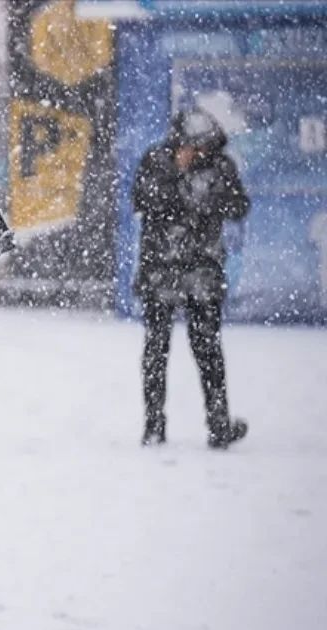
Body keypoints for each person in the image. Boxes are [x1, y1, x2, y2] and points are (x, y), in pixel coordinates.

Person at [132, 109, 250, 449]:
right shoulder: (156, 161)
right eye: (190, 147)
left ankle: (218, 425)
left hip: (202, 271)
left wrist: (206, 193)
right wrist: (178, 177)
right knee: (156, 349)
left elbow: (239, 205)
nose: (197, 153)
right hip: (161, 270)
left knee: (208, 350)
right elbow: (142, 200)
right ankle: (153, 425)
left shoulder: (221, 166)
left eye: (203, 148)